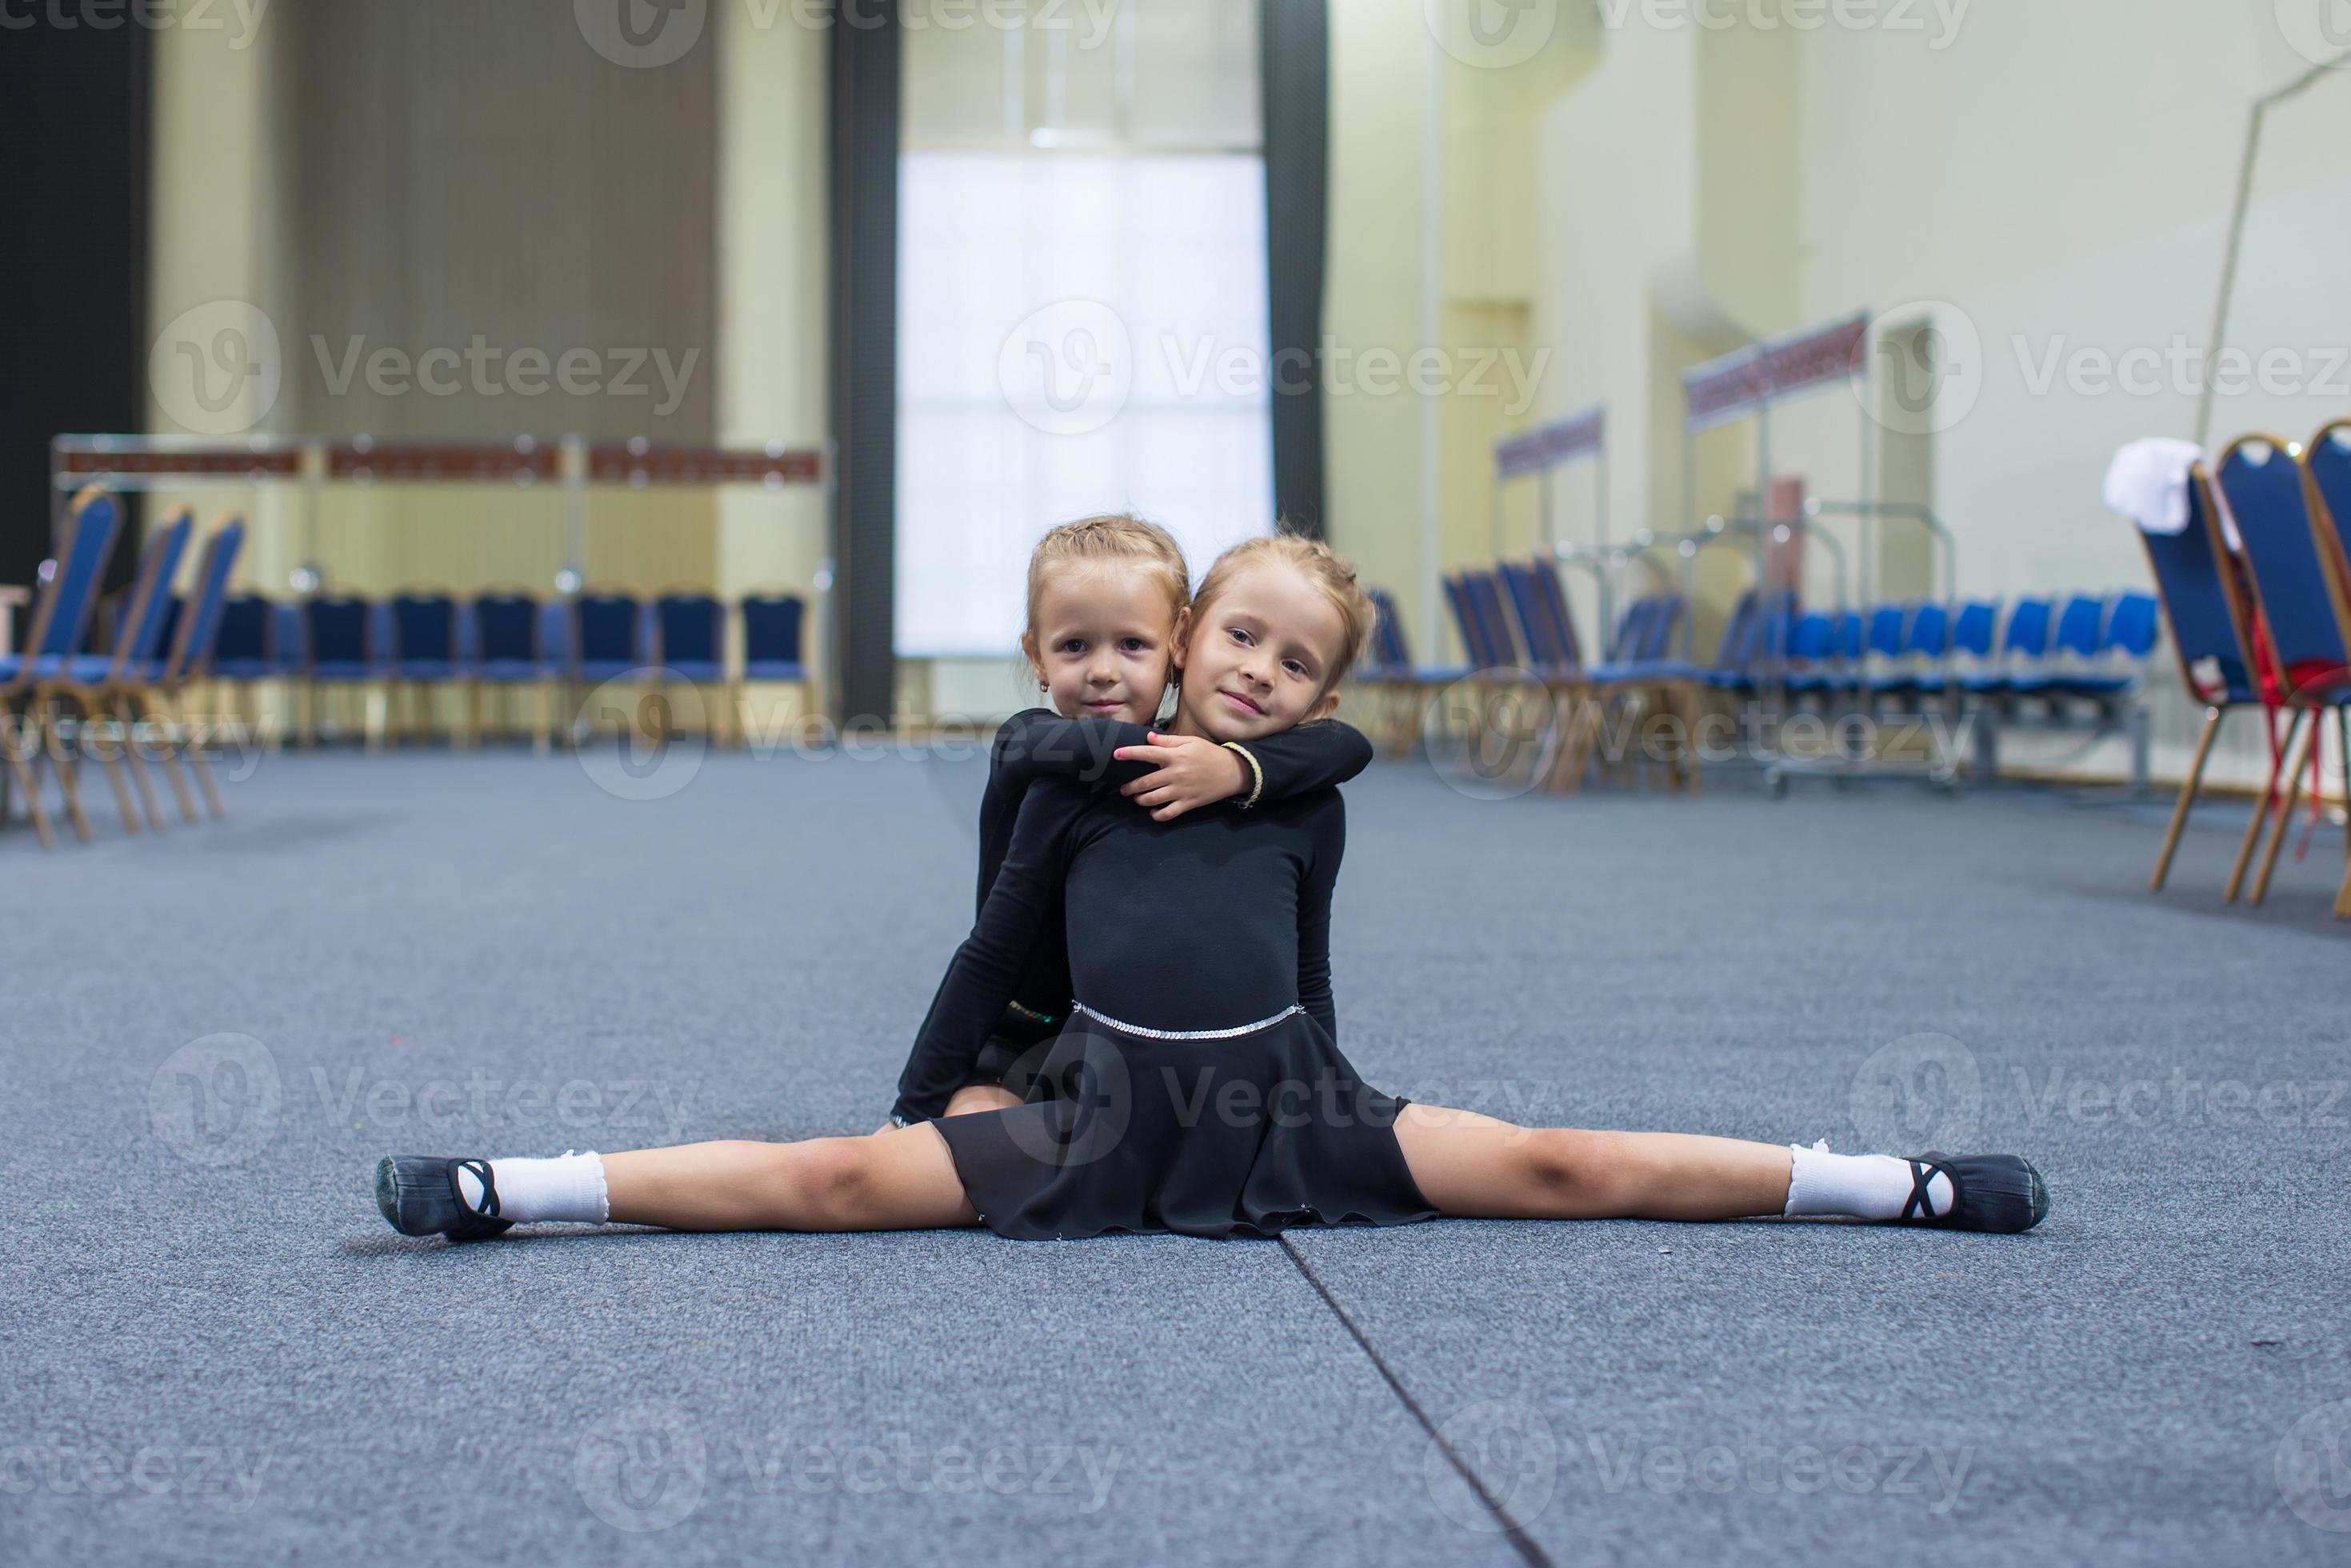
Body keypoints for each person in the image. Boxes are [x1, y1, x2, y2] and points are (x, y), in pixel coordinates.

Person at [375, 534, 2047, 1242]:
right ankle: (511, 1183)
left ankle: (1899, 1184)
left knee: (1563, 1156)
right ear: (1181, 645)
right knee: (830, 1180)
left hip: (1291, 1095)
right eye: (1234, 638)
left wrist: (1260, 771)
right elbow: (999, 941)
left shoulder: (1303, 780)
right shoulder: (1068, 763)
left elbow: (1323, 882)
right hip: (1095, 1105)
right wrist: (936, 1088)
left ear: (1317, 695)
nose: (1256, 671)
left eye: (1293, 662)